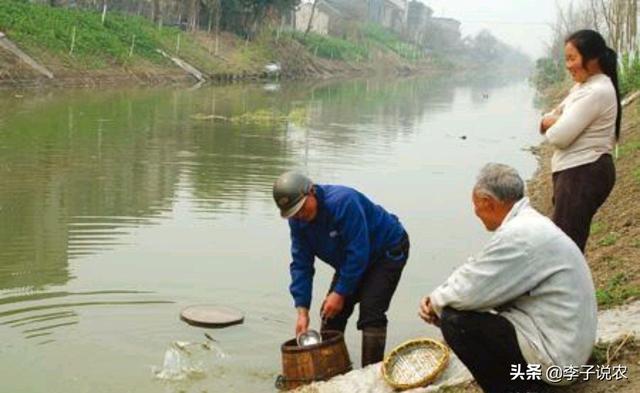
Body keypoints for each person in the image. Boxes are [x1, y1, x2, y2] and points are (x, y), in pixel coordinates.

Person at [419, 163, 597, 393]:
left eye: (476, 206)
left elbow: (472, 288)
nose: (475, 212)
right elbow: (479, 269)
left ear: (487, 202)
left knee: (456, 321)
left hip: (559, 358)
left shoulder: (519, 236)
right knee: (465, 309)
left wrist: (435, 303)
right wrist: (441, 298)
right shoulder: (529, 224)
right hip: (568, 343)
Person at [273, 171, 409, 366]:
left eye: (302, 208)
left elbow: (359, 251)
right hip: (350, 259)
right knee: (330, 315)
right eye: (294, 213)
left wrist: (340, 292)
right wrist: (302, 311)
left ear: (310, 191)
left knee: (371, 313)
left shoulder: (343, 202)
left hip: (385, 251)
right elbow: (301, 264)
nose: (300, 215)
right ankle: (333, 371)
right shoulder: (298, 222)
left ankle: (371, 373)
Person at [539, 29, 620, 252]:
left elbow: (558, 136)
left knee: (566, 248)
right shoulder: (582, 87)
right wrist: (556, 118)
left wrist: (550, 121)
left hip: (584, 172)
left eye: (572, 58)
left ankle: (569, 286)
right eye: (566, 58)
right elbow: (554, 113)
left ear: (592, 58)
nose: (568, 65)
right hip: (575, 172)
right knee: (564, 243)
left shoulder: (597, 91)